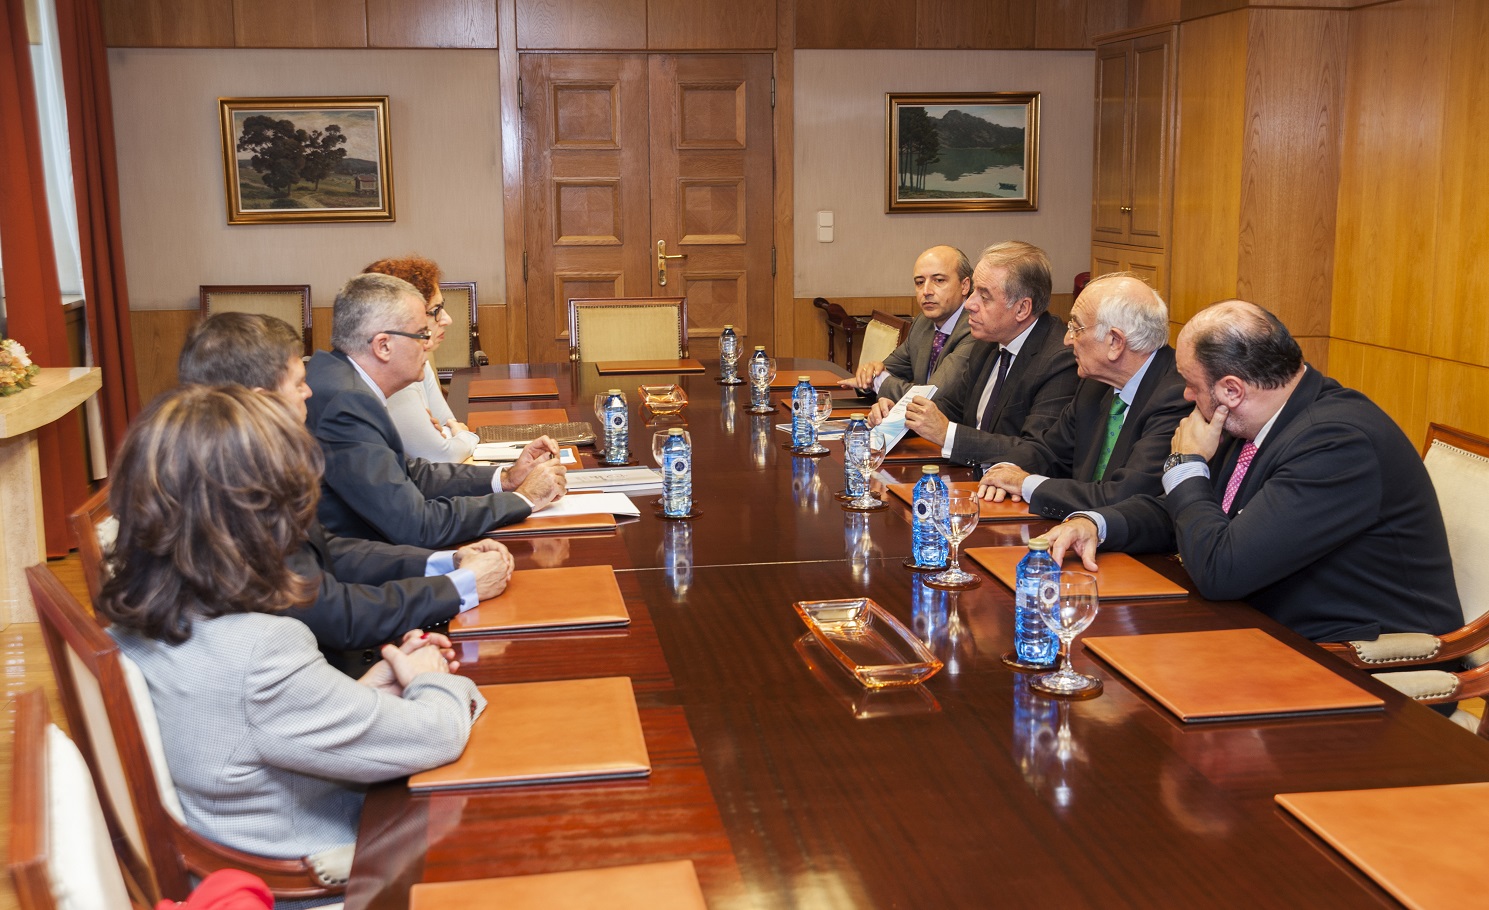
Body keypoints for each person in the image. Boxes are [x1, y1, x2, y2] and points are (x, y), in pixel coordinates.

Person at [99, 384, 484, 881]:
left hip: (232, 854)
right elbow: (436, 735)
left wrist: (364, 694)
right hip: (326, 873)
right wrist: (431, 678)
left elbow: (249, 724)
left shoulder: (134, 626)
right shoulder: (260, 650)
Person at [1044, 299, 1461, 644]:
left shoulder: (1337, 443)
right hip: (1263, 628)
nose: (1186, 395)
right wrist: (1097, 524)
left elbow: (1222, 570)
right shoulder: (1256, 418)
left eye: (1191, 384)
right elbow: (1186, 512)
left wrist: (1186, 465)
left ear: (1231, 389)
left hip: (1358, 658)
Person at [177, 312, 512, 665]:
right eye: (298, 384)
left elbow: (327, 550)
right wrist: (460, 587)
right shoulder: (231, 493)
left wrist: (447, 563)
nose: (309, 392)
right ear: (262, 401)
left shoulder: (240, 462)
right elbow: (333, 614)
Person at [306, 273, 567, 547]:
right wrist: (523, 498)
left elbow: (409, 474)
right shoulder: (347, 403)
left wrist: (507, 479)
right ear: (383, 346)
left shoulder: (340, 379)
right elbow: (416, 525)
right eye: (421, 334)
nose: (429, 344)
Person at [973, 274, 1189, 518]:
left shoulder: (1176, 398)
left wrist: (1025, 483)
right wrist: (1004, 470)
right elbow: (1048, 450)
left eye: (1076, 328)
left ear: (1115, 342)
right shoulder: (1095, 384)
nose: (1067, 340)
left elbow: (1122, 497)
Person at [876, 241, 1078, 463]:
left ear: (1022, 308)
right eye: (974, 291)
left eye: (984, 296)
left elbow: (1036, 452)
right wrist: (902, 414)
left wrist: (946, 434)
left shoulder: (1059, 360)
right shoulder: (987, 341)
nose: (969, 304)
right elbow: (954, 406)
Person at [362, 254, 479, 463]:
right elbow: (442, 454)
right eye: (436, 310)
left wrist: (447, 435)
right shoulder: (391, 371)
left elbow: (447, 423)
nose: (447, 319)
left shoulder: (419, 360)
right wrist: (466, 436)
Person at [839, 245, 979, 403]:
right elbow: (887, 370)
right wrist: (868, 375)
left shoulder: (975, 327)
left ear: (964, 286)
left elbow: (932, 397)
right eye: (919, 282)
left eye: (939, 280)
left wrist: (879, 382)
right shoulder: (922, 322)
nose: (926, 291)